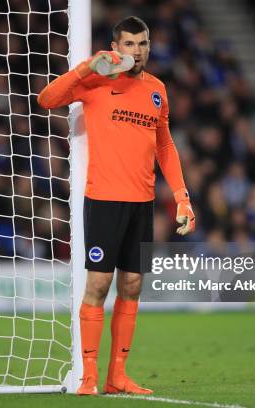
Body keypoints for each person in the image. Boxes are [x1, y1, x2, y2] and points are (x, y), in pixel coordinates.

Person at [38, 16, 195, 395]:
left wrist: (181, 197)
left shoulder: (157, 90)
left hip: (142, 203)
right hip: (105, 199)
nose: (137, 51)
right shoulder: (96, 82)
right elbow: (47, 99)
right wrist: (85, 68)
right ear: (115, 47)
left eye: (142, 44)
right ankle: (89, 375)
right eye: (129, 44)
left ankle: (117, 376)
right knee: (99, 283)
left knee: (133, 284)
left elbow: (165, 146)